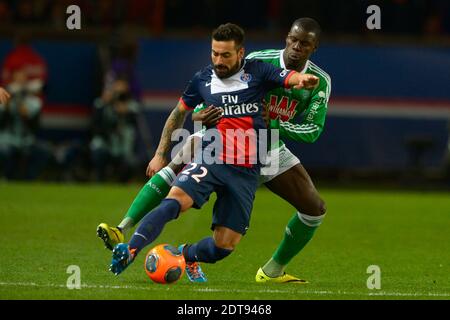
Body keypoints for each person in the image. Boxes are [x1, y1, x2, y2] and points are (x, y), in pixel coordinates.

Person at [98, 18, 330, 283]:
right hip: (223, 141)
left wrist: (276, 123)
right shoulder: (258, 61)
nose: (297, 47)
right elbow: (213, 95)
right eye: (293, 39)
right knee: (179, 167)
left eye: (305, 43)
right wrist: (199, 118)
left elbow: (312, 129)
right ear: (287, 38)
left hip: (269, 149)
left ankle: (270, 270)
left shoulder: (320, 82)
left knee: (313, 209)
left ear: (315, 47)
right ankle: (124, 230)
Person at [89, 76, 140, 182]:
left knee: (129, 161)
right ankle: (99, 179)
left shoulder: (131, 105)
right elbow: (96, 125)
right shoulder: (102, 104)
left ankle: (123, 181)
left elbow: (135, 123)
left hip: (123, 145)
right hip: (106, 141)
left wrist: (125, 111)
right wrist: (106, 103)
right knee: (98, 150)